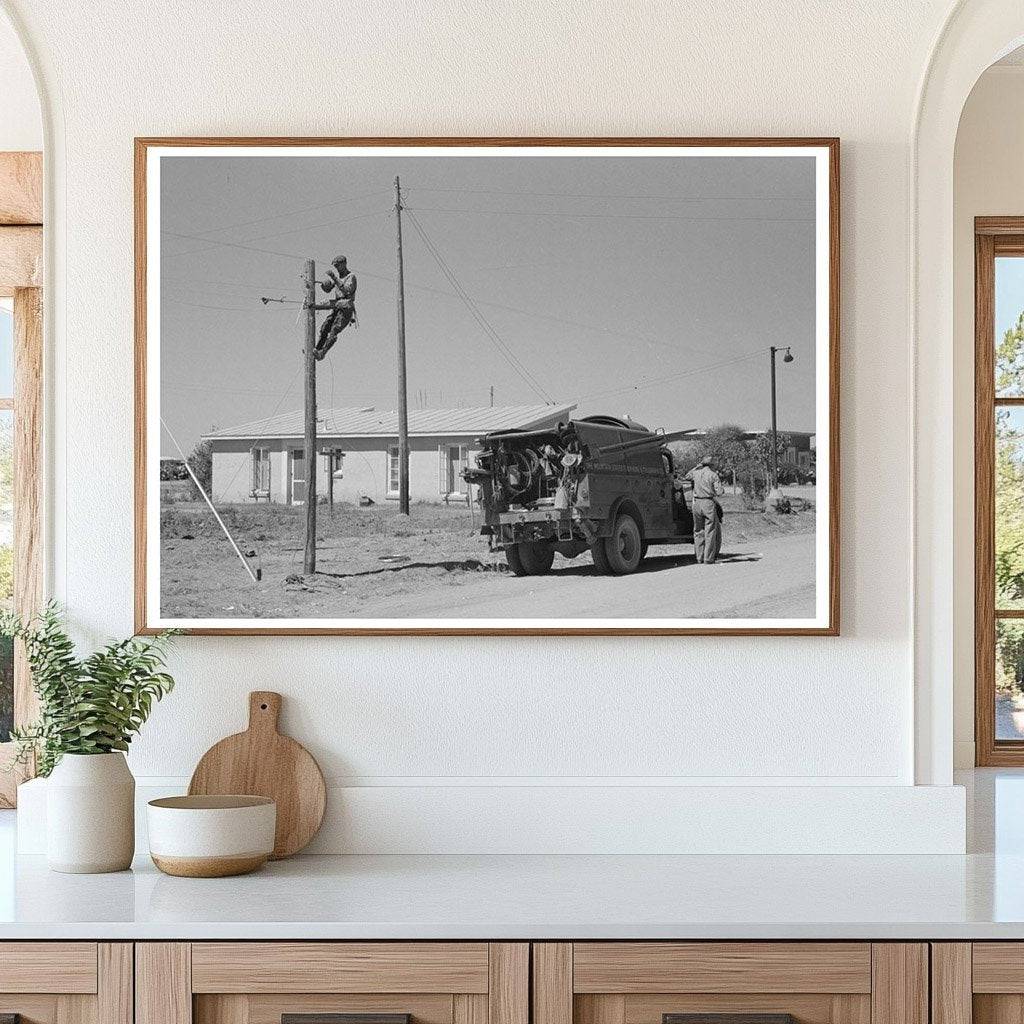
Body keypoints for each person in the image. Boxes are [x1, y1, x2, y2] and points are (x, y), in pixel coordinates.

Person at [315, 255, 357, 360]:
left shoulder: (351, 276)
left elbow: (347, 290)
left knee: (334, 330)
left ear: (344, 264)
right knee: (325, 327)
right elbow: (328, 289)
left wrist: (334, 277)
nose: (337, 268)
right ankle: (317, 349)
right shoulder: (339, 277)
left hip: (346, 308)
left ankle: (322, 353)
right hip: (337, 306)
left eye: (338, 266)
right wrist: (325, 285)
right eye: (336, 266)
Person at [685, 455, 725, 564]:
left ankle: (699, 557)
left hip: (696, 503)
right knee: (710, 531)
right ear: (712, 464)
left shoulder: (696, 473)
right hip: (708, 503)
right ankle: (708, 558)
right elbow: (719, 492)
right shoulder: (713, 475)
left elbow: (686, 476)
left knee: (698, 531)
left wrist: (696, 467)